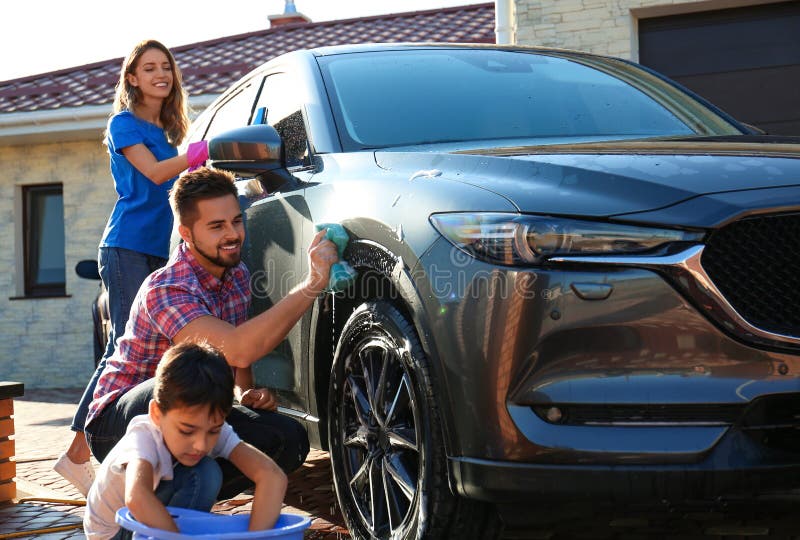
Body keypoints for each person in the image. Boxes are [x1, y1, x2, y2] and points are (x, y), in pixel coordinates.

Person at [84, 166, 338, 500]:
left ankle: (180, 492)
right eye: (216, 226)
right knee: (182, 392)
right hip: (121, 418)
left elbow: (236, 364)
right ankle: (139, 484)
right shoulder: (167, 288)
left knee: (288, 439)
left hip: (189, 413)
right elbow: (239, 349)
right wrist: (313, 283)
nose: (232, 234)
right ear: (186, 232)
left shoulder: (236, 275)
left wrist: (245, 397)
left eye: (235, 221)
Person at [56, 39, 209, 495]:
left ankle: (134, 453)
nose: (161, 73)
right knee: (123, 349)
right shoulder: (124, 124)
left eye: (166, 66)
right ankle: (78, 454)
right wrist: (201, 150)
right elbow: (158, 174)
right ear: (133, 79)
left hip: (160, 251)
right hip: (126, 248)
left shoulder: (165, 131)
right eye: (149, 68)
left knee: (153, 354)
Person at [84, 341, 287, 540]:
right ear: (156, 413)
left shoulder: (210, 426)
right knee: (204, 473)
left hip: (144, 516)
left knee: (206, 471)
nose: (201, 444)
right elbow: (137, 497)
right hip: (113, 532)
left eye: (213, 431)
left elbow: (271, 476)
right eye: (186, 431)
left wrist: (257, 536)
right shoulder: (143, 435)